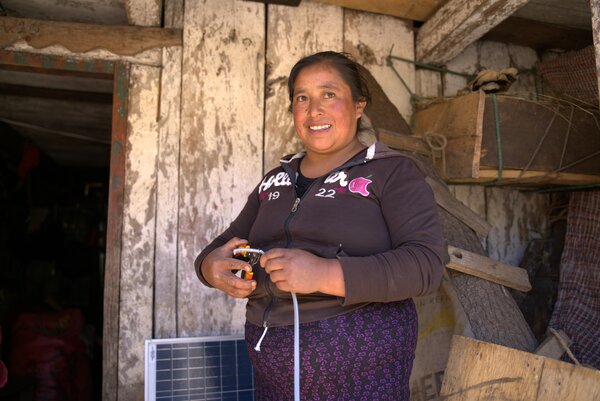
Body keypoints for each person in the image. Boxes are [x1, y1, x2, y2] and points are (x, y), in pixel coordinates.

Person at [195, 51, 445, 400]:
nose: (314, 110)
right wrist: (210, 268)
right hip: (272, 362)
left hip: (362, 365)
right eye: (302, 98)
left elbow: (426, 265)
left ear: (359, 105)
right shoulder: (275, 180)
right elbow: (224, 244)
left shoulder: (392, 173)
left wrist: (325, 275)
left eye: (329, 94)